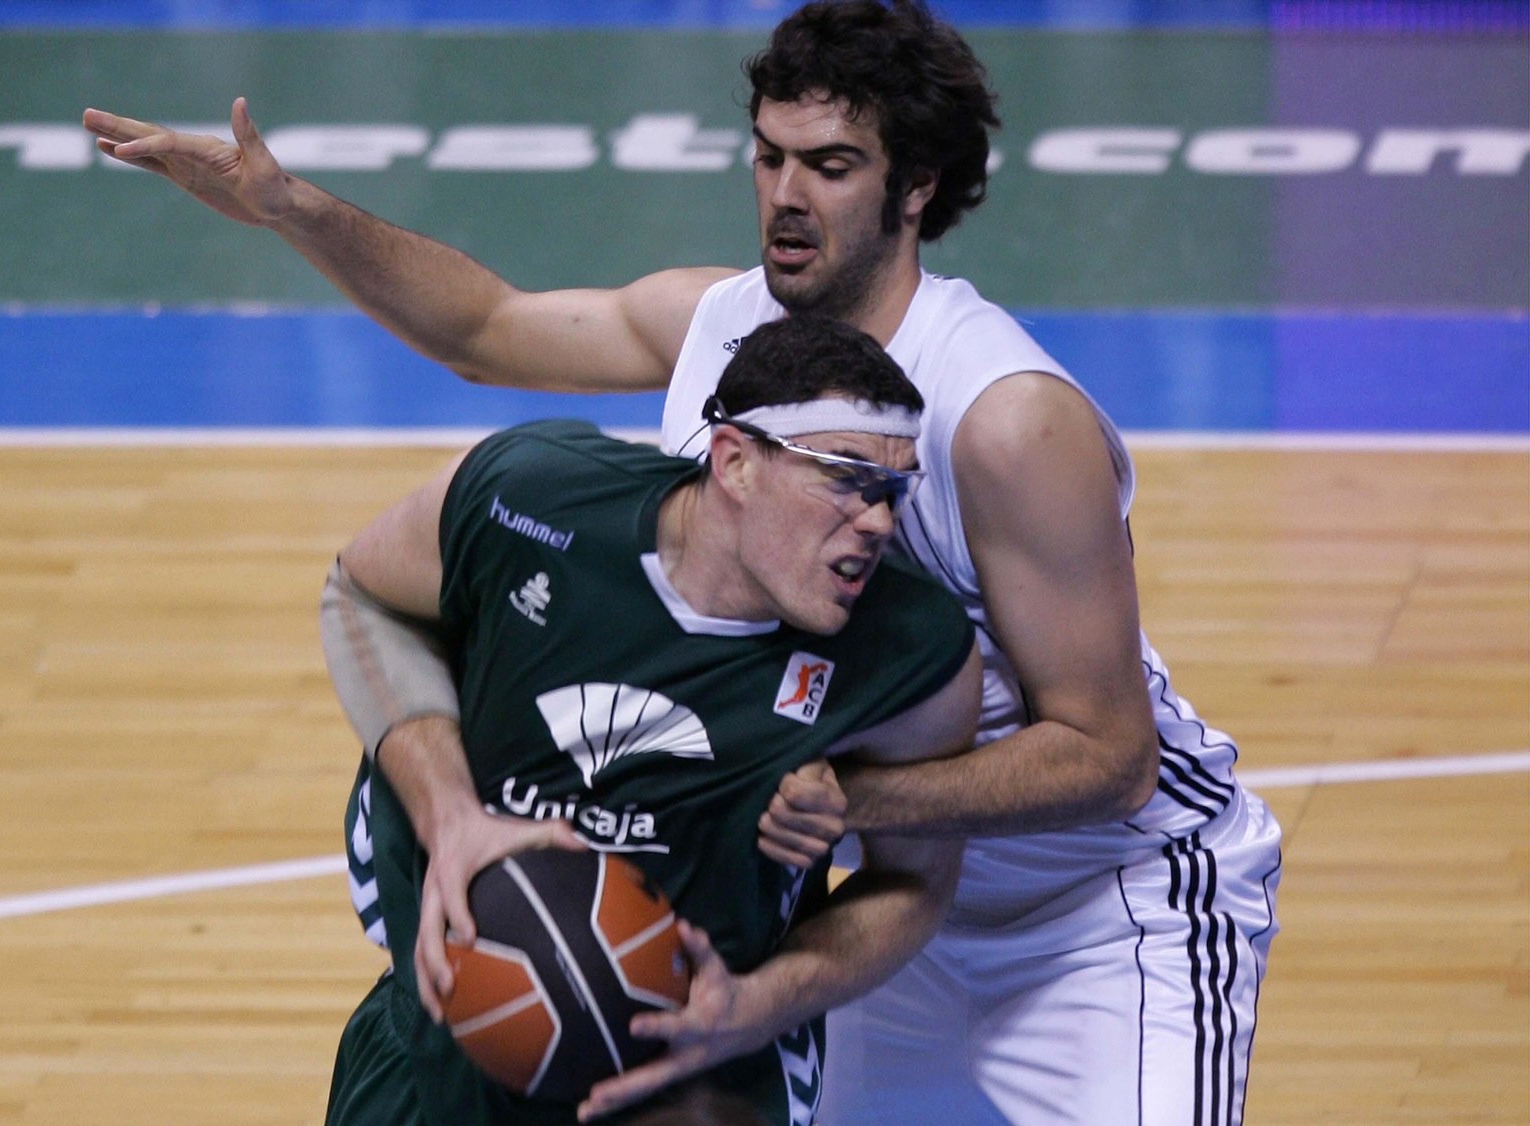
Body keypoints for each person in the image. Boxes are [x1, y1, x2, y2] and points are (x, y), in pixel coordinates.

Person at [84, 2, 1283, 1122]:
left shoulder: (1005, 420)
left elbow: (1111, 755)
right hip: (873, 896)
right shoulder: (720, 324)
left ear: (917, 186)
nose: (783, 195)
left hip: (1100, 911)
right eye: (767, 155)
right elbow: (484, 329)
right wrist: (293, 208)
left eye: (829, 164)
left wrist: (847, 798)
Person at [319, 315, 981, 1125]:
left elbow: (915, 884)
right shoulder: (531, 499)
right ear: (735, 462)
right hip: (449, 1047)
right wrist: (450, 815)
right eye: (845, 478)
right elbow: (359, 595)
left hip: (702, 1082)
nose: (877, 521)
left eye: (892, 490)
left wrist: (763, 1001)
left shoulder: (909, 649)